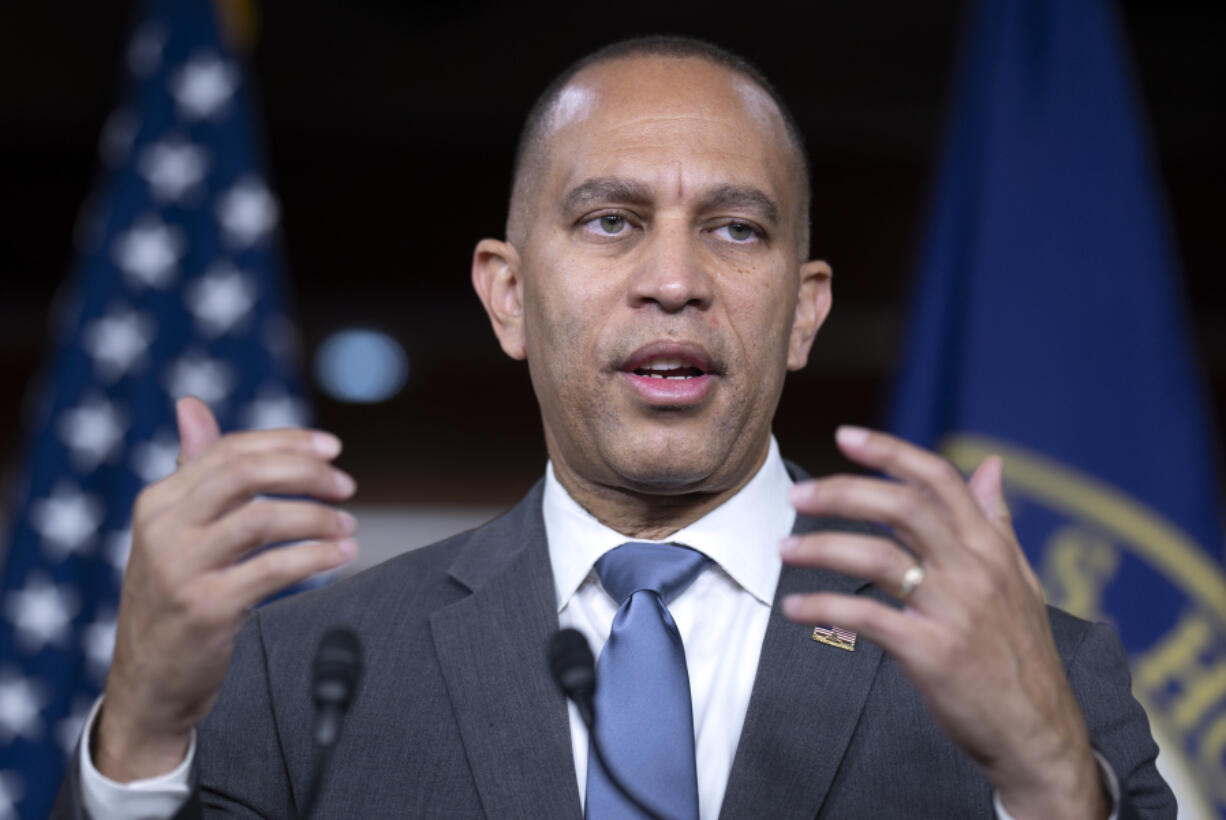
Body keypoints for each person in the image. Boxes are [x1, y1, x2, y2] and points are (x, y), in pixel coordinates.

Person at [55, 36, 1174, 819]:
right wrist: (143, 740)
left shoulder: (1048, 674)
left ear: (804, 310)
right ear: (506, 295)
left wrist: (1048, 787)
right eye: (609, 221)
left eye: (735, 230)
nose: (674, 280)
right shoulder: (292, 673)